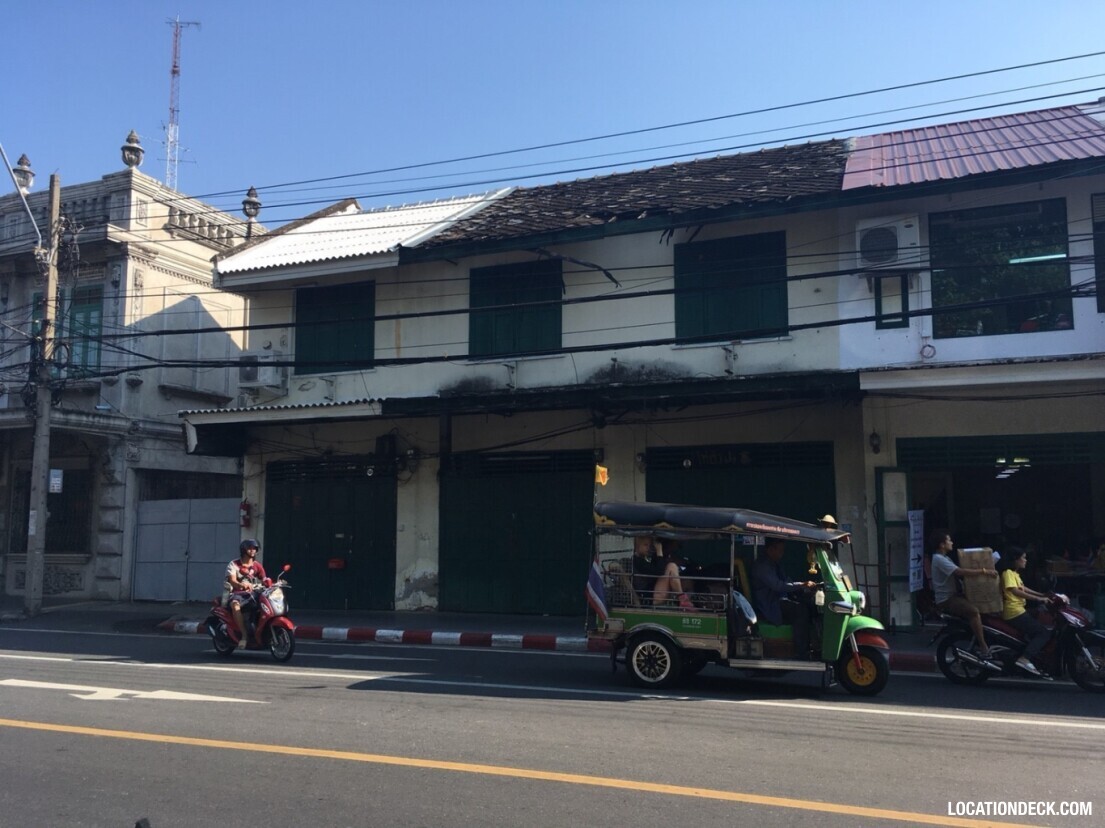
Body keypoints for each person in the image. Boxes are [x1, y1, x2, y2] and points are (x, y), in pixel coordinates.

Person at [928, 529, 999, 667]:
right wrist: (984, 571)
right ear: (942, 544)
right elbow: (959, 572)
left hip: (955, 595)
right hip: (947, 600)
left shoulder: (945, 558)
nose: (951, 542)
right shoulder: (939, 559)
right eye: (949, 540)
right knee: (973, 612)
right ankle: (984, 647)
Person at [751, 537, 816, 657]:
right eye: (780, 550)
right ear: (771, 549)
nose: (782, 553)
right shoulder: (763, 566)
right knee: (800, 610)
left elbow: (786, 581)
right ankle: (801, 651)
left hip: (778, 599)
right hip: (770, 603)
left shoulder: (774, 564)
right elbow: (778, 586)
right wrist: (801, 584)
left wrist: (803, 587)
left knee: (807, 604)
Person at [997, 547, 1052, 676]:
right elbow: (1015, 591)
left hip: (1019, 609)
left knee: (1039, 615)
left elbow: (1023, 588)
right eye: (1023, 558)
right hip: (1013, 612)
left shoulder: (1014, 574)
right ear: (1015, 559)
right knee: (1043, 633)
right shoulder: (1008, 573)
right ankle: (1025, 658)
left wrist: (1042, 594)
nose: (1025, 560)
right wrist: (1038, 599)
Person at [631, 535, 694, 609]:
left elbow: (657, 567)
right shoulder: (637, 561)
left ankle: (686, 599)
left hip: (654, 591)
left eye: (649, 545)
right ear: (637, 546)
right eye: (645, 545)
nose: (648, 548)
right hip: (650, 597)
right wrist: (659, 551)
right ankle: (682, 599)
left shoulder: (644, 559)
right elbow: (660, 572)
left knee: (687, 582)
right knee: (671, 566)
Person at [225, 538, 267, 648]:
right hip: (238, 594)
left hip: (253, 594)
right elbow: (232, 581)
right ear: (243, 550)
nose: (253, 550)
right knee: (235, 605)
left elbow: (264, 578)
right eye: (250, 548)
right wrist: (241, 585)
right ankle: (244, 635)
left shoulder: (257, 565)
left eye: (255, 548)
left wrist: (271, 582)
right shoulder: (234, 564)